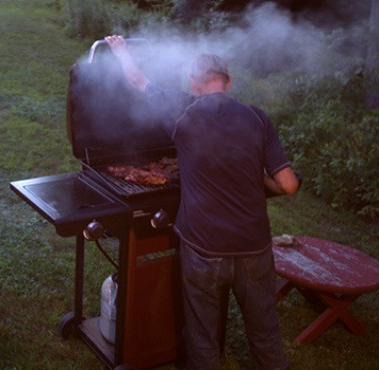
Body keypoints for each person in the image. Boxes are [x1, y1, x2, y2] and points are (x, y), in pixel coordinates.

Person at [105, 35, 299, 370]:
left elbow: (138, 81)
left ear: (193, 84)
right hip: (253, 249)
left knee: (202, 336)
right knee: (265, 334)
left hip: (203, 249)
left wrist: (121, 51)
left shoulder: (183, 111)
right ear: (228, 81)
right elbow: (289, 184)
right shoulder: (257, 118)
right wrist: (257, 177)